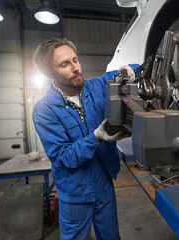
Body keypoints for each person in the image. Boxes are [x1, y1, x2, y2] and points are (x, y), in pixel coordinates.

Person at [32, 38, 140, 240]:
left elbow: (128, 72)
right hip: (74, 190)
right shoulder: (44, 110)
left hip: (104, 183)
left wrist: (132, 71)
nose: (75, 68)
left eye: (75, 60)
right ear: (50, 73)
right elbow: (63, 157)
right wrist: (97, 136)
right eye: (65, 64)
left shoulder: (97, 86)